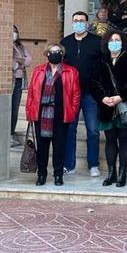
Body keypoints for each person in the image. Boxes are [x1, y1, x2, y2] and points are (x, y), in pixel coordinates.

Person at [90, 31, 127, 187]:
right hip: (106, 107)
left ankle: (122, 173)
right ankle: (111, 172)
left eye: (117, 40)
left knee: (124, 138)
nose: (114, 42)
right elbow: (94, 82)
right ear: (106, 43)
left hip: (123, 106)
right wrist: (102, 97)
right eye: (111, 40)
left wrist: (120, 96)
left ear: (123, 42)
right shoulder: (101, 61)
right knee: (110, 139)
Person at [25, 43, 80, 187]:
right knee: (42, 146)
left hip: (61, 114)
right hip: (41, 114)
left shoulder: (71, 71)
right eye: (52, 51)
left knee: (59, 146)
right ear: (47, 53)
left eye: (58, 51)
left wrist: (72, 111)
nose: (55, 53)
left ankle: (58, 175)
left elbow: (76, 94)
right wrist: (30, 112)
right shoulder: (38, 70)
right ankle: (41, 174)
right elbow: (32, 92)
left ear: (62, 54)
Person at [61, 11, 104, 176]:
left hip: (91, 93)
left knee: (93, 129)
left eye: (81, 21)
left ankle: (93, 164)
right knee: (70, 129)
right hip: (71, 93)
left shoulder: (96, 42)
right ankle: (68, 165)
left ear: (87, 23)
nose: (78, 23)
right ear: (72, 23)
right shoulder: (66, 42)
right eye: (76, 21)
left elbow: (102, 64)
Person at [11, 26, 32, 147]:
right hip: (9, 81)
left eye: (15, 32)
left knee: (15, 109)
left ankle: (12, 133)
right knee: (9, 108)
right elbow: (9, 62)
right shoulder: (6, 45)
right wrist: (19, 63)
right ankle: (8, 133)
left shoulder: (20, 46)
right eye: (12, 32)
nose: (14, 34)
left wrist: (19, 61)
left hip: (19, 80)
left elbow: (29, 60)